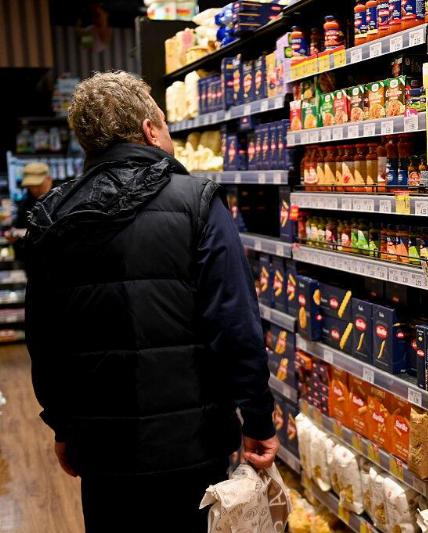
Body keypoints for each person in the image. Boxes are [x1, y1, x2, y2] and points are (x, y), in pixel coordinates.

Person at [24, 71, 277, 532]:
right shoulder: (197, 203)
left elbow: (44, 341)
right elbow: (235, 326)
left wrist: (63, 426)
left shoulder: (52, 218)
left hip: (102, 452)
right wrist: (258, 417)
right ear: (149, 129)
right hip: (192, 450)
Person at [10, 162, 53, 262]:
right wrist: (13, 236)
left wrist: (29, 233)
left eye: (37, 184)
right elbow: (18, 228)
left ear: (49, 179)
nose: (34, 189)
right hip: (31, 262)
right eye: (30, 185)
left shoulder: (64, 199)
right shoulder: (25, 203)